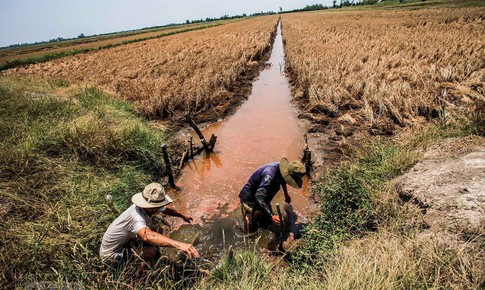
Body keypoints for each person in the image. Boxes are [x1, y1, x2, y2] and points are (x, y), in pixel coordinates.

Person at [99, 183, 200, 262]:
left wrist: (182, 216)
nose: (159, 209)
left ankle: (150, 255)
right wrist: (179, 244)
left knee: (158, 230)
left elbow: (166, 209)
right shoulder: (136, 216)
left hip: (125, 242)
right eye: (156, 207)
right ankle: (144, 267)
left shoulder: (150, 207)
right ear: (148, 206)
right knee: (152, 252)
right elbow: (147, 236)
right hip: (111, 255)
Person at [239, 157, 306, 232]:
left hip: (264, 197)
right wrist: (272, 216)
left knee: (267, 220)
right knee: (250, 226)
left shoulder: (282, 170)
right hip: (249, 198)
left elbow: (283, 181)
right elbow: (258, 197)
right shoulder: (269, 175)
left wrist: (286, 194)